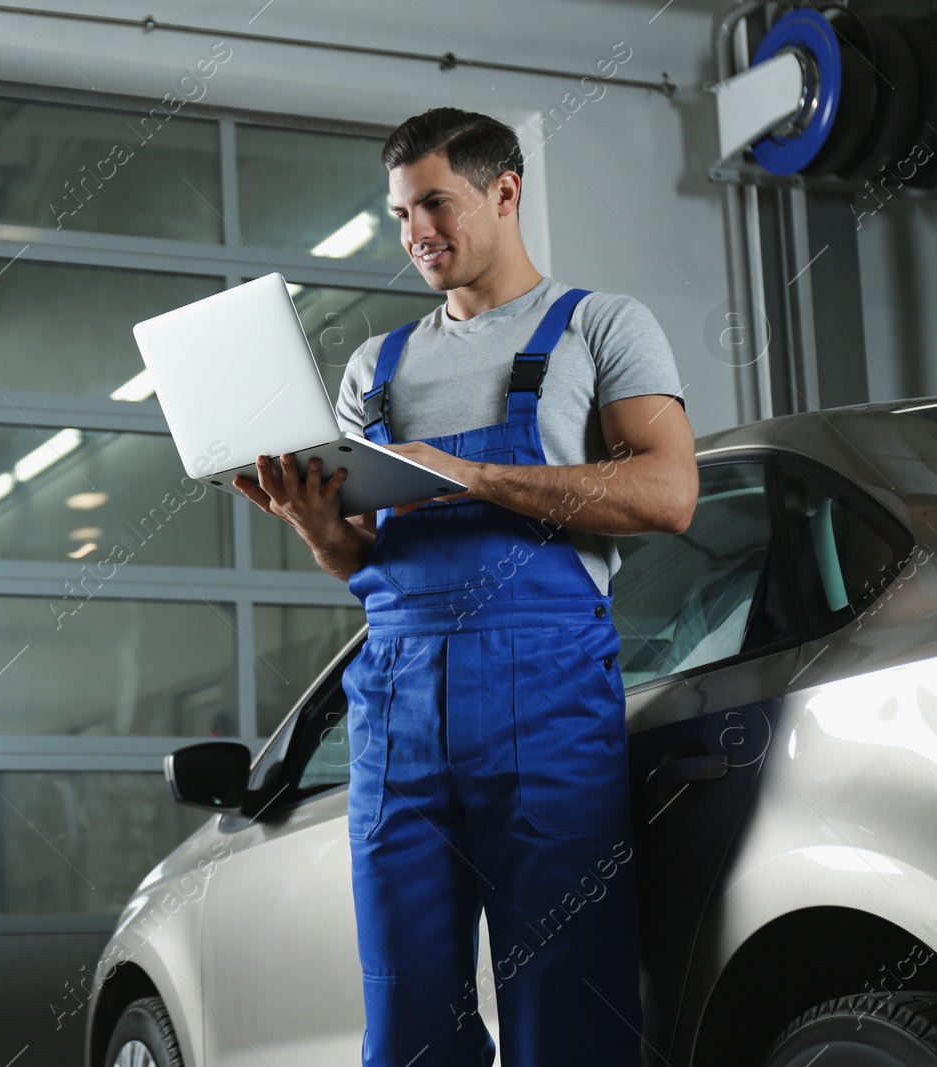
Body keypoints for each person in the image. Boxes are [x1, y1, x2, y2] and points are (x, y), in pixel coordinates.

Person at [234, 107, 698, 1065]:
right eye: (401, 214)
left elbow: (669, 491)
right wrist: (315, 524)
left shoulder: (599, 325)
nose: (416, 234)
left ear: (505, 191)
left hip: (546, 698)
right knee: (405, 1028)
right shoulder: (378, 367)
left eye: (434, 204)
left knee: (566, 1014)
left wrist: (473, 475)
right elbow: (360, 564)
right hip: (398, 706)